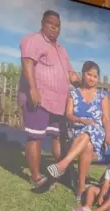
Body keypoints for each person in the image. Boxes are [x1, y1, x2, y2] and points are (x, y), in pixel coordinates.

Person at [18, 10, 79, 187]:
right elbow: (27, 62)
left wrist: (81, 82)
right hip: (39, 99)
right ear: (42, 23)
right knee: (35, 137)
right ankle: (36, 177)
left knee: (57, 137)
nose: (54, 27)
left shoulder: (61, 49)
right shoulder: (33, 40)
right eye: (50, 23)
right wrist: (33, 89)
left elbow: (69, 73)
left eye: (57, 25)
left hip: (58, 104)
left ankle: (61, 172)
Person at [47, 61, 110, 202]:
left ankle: (63, 164)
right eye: (89, 74)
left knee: (90, 130)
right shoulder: (73, 94)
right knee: (87, 144)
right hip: (78, 131)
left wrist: (107, 134)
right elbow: (68, 114)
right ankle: (81, 188)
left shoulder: (102, 95)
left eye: (95, 76)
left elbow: (106, 118)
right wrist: (82, 120)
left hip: (98, 132)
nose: (92, 78)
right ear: (83, 74)